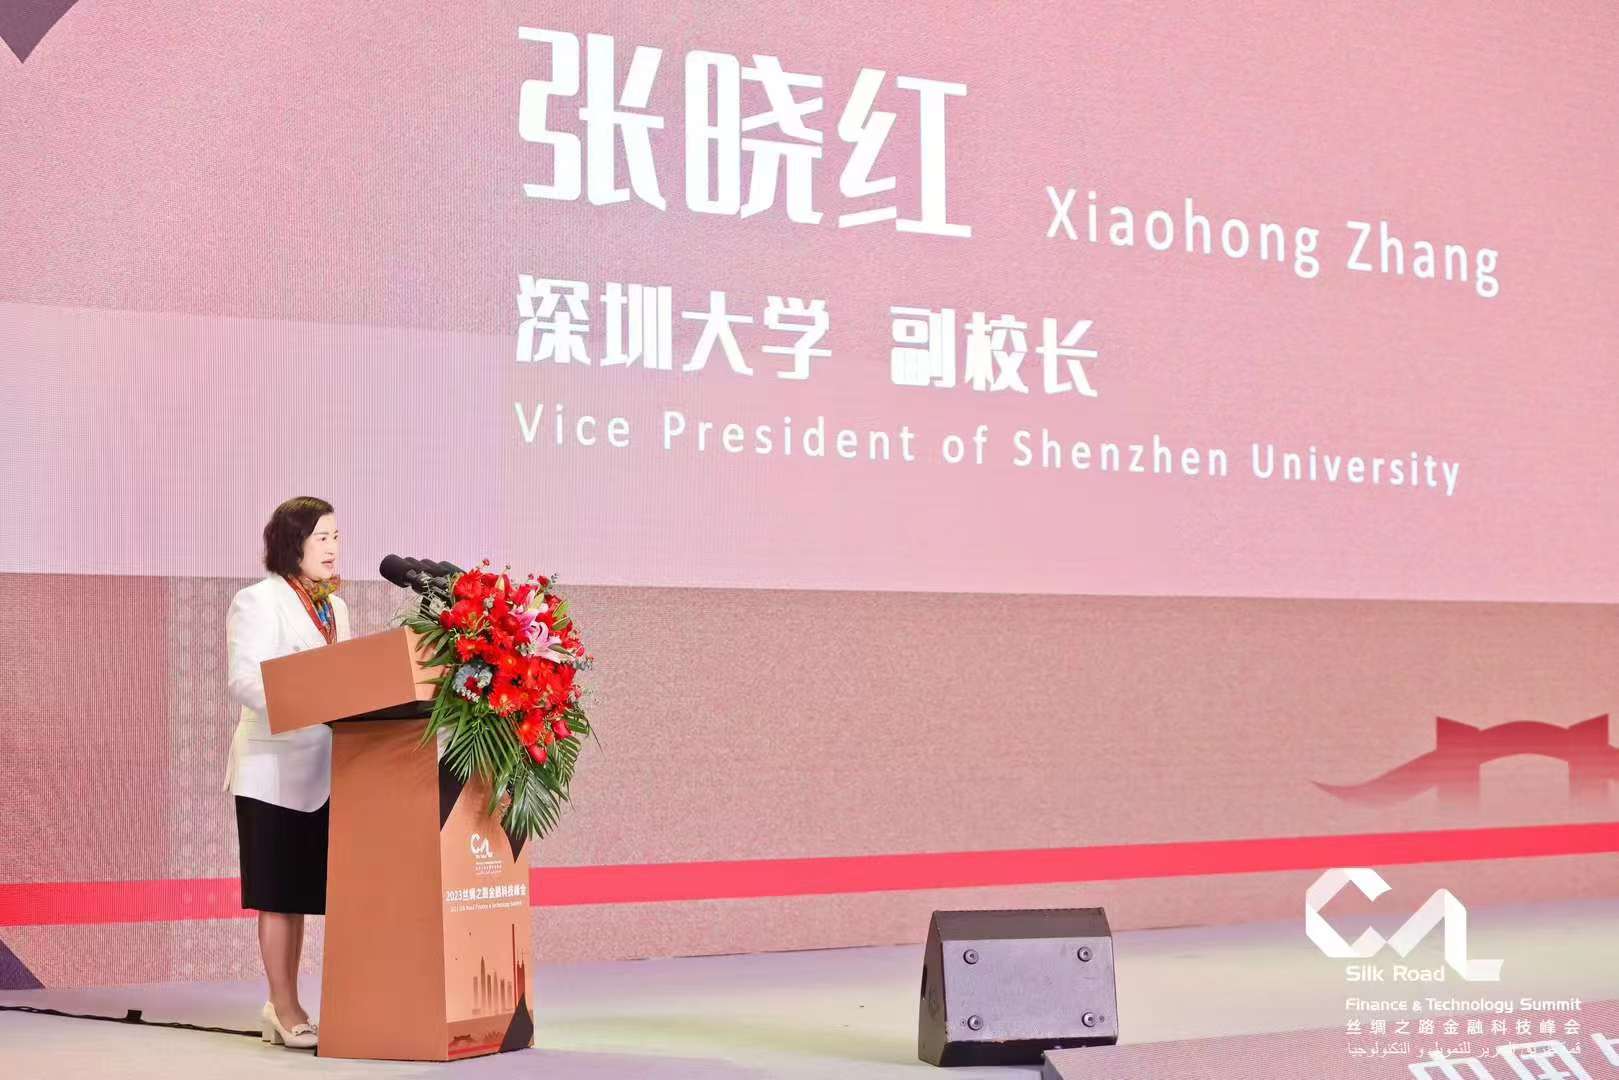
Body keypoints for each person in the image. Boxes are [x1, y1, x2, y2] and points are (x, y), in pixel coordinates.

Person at [224, 496, 349, 1050]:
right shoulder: (258, 600)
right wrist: (308, 702)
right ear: (292, 542)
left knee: (298, 895)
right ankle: (283, 1006)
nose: (332, 547)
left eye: (336, 536)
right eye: (322, 537)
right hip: (271, 767)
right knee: (277, 895)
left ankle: (285, 1003)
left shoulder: (335, 607)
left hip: (321, 770)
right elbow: (244, 681)